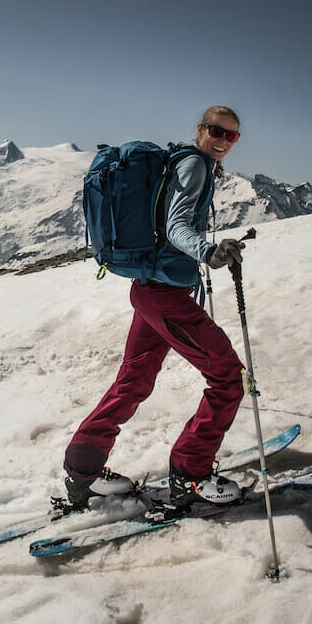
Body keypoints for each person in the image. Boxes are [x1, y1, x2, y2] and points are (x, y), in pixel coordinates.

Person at [63, 105, 247, 511]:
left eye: (231, 136)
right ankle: (191, 474)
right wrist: (208, 252)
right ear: (200, 129)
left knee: (133, 381)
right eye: (216, 131)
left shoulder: (182, 160)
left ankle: (84, 471)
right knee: (228, 378)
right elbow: (175, 225)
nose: (222, 140)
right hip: (164, 296)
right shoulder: (194, 166)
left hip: (148, 290)